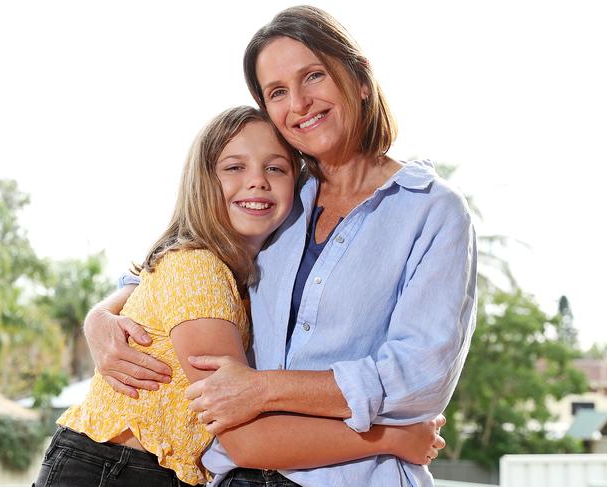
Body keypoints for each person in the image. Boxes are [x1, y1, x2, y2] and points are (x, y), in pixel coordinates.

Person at [85, 6, 476, 487]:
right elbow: (173, 267)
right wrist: (99, 316)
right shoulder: (277, 195)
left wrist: (261, 388)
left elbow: (419, 379)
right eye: (277, 92)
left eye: (313, 76)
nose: (300, 103)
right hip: (237, 476)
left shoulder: (433, 211)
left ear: (359, 80)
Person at [34, 106, 444, 487]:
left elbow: (134, 284)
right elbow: (247, 442)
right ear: (204, 181)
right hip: (114, 470)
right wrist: (393, 439)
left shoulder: (248, 278)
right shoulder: (199, 271)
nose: (257, 181)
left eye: (276, 168)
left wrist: (100, 313)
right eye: (234, 167)